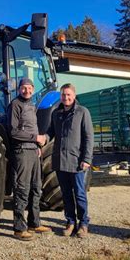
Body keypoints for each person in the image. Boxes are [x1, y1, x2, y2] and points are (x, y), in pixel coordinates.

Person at [45, 83, 94, 238]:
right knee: (66, 194)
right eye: (63, 95)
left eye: (68, 95)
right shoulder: (56, 114)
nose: (66, 97)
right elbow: (50, 133)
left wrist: (86, 158)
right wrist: (42, 139)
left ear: (74, 95)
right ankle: (70, 222)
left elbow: (88, 137)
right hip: (60, 162)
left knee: (79, 193)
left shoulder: (82, 112)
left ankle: (84, 224)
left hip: (76, 161)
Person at [7, 77, 51, 241]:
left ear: (33, 89)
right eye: (24, 88)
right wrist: (35, 138)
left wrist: (38, 147)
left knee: (36, 188)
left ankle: (34, 222)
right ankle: (19, 228)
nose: (27, 91)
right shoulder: (15, 105)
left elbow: (34, 129)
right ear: (19, 89)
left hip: (33, 151)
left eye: (29, 88)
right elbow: (13, 132)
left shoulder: (32, 106)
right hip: (22, 151)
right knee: (22, 189)